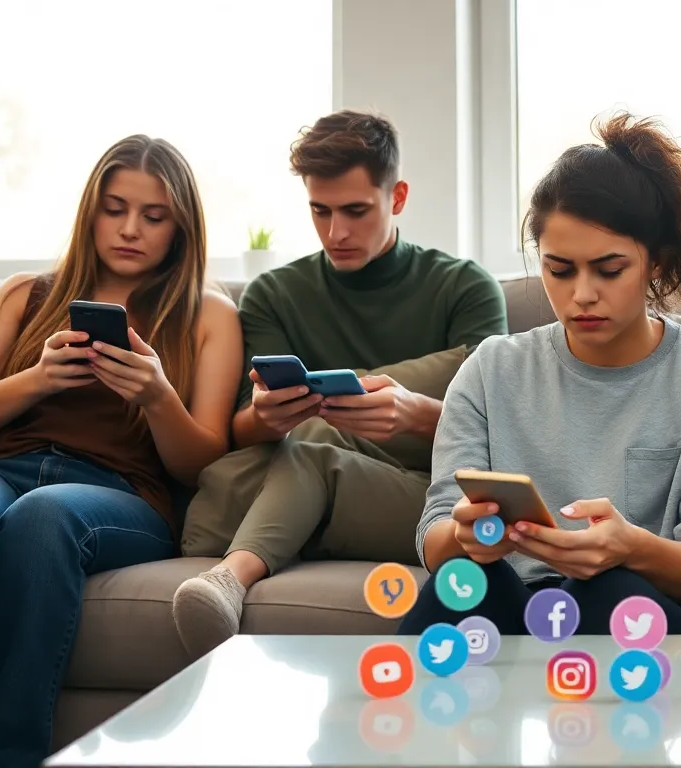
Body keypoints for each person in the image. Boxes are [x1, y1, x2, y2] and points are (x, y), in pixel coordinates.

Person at [0, 135, 242, 768]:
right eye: (115, 208)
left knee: (45, 515)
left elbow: (201, 462)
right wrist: (39, 378)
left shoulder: (208, 314)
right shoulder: (25, 294)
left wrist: (159, 397)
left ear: (182, 228)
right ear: (91, 211)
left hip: (115, 492)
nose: (130, 228)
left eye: (154, 215)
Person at [398, 113, 681, 637]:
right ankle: (391, 719)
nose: (583, 294)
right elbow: (435, 536)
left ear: (656, 262)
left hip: (656, 614)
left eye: (610, 270)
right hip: (520, 611)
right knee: (458, 581)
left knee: (606, 586)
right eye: (560, 270)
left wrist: (631, 547)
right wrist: (467, 536)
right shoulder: (490, 369)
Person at [172, 109, 507, 657]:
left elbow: (501, 437)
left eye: (356, 210)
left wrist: (417, 414)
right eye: (319, 211)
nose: (336, 232)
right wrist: (265, 416)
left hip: (424, 497)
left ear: (396, 197)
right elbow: (236, 430)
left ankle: (232, 573)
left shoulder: (464, 288)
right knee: (308, 441)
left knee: (312, 443)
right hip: (307, 470)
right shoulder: (273, 294)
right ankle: (269, 540)